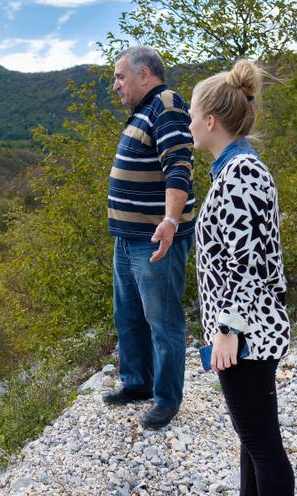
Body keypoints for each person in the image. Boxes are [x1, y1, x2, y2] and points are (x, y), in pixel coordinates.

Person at [187, 60, 297, 496]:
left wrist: (227, 329)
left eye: (192, 115)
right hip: (249, 324)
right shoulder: (238, 169)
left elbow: (240, 260)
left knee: (262, 440)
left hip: (247, 329)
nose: (188, 124)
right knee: (250, 431)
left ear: (212, 119)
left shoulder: (240, 175)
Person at [102, 46, 196, 430]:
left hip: (155, 239)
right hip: (127, 238)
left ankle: (166, 399)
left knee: (163, 321)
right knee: (128, 317)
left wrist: (171, 220)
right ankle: (137, 383)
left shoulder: (167, 104)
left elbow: (179, 166)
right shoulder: (142, 112)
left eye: (120, 76)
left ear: (144, 75)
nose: (116, 85)